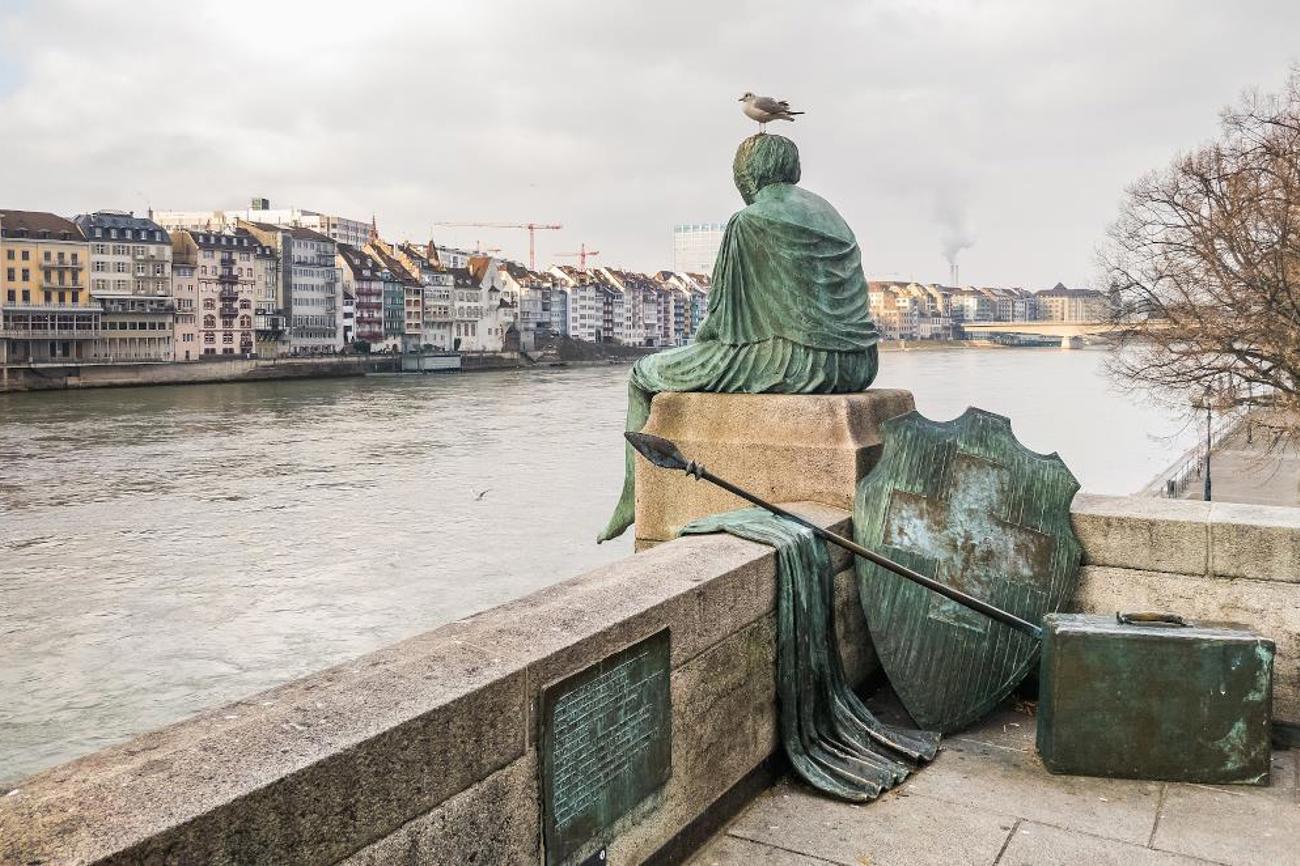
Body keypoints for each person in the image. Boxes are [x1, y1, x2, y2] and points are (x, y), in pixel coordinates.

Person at [598, 133, 880, 542]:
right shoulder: (831, 215)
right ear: (793, 170)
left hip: (801, 361)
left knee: (643, 374)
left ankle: (629, 498)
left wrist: (696, 356)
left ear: (748, 175)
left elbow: (722, 323)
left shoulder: (749, 220)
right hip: (858, 363)